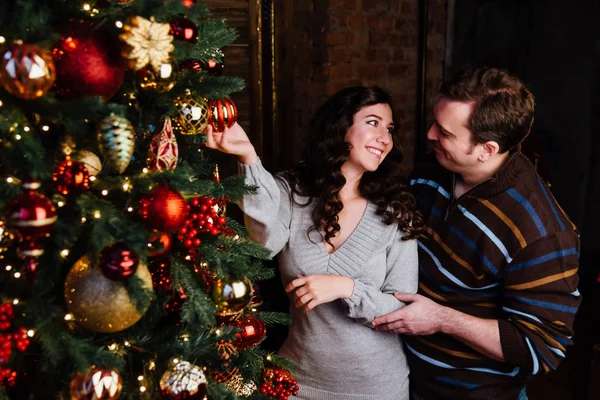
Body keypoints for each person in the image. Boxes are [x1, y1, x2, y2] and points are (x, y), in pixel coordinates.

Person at [371, 68, 581, 400]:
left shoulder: (542, 232)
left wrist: (441, 319)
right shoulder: (433, 168)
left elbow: (541, 348)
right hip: (399, 377)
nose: (429, 135)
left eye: (444, 132)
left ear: (487, 148)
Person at [205, 86, 422, 400]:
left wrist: (346, 288)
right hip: (297, 382)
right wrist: (248, 157)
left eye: (389, 129)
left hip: (375, 388)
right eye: (373, 123)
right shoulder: (292, 193)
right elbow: (264, 243)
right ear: (340, 127)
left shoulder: (395, 210)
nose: (386, 138)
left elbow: (403, 310)